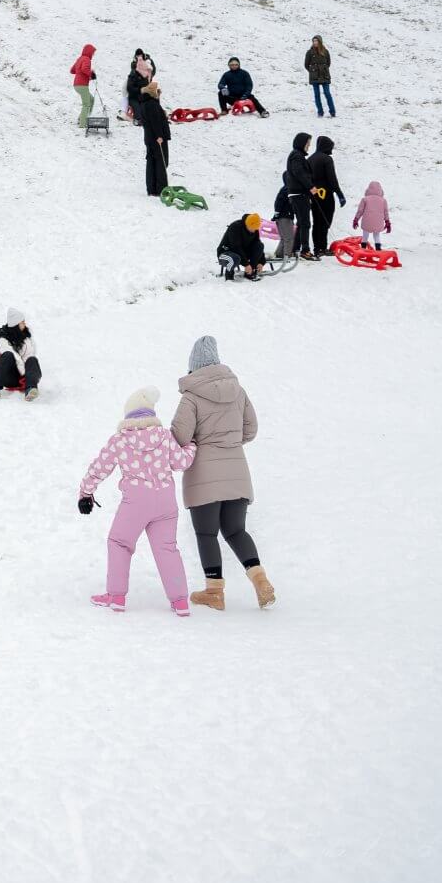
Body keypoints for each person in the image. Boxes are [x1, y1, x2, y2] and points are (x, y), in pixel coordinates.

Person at [172, 336, 273, 611]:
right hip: (237, 472)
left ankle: (214, 592)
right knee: (236, 530)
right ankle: (261, 580)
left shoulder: (192, 396)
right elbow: (250, 429)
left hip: (204, 476)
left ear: (194, 365)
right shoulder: (238, 391)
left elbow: (180, 436)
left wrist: (198, 443)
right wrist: (230, 442)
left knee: (207, 534)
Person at [79, 387, 197, 616]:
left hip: (136, 503)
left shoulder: (120, 440)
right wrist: (191, 445)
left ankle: (116, 596)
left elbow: (99, 468)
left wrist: (86, 492)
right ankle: (180, 601)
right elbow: (181, 462)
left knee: (119, 543)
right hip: (165, 502)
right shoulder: (164, 436)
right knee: (167, 548)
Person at [0, 310, 41, 400]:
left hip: (26, 377)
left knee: (32, 359)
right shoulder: (2, 339)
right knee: (8, 355)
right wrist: (24, 373)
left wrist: (28, 375)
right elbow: (15, 357)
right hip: (10, 377)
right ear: (16, 324)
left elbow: (29, 355)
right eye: (22, 322)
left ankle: (30, 389)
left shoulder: (26, 337)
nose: (24, 324)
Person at [283, 134, 317, 260]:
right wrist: (310, 186)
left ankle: (295, 249)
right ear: (301, 143)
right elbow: (299, 172)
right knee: (305, 223)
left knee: (302, 223)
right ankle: (305, 250)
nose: (309, 146)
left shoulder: (297, 155)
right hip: (299, 194)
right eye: (307, 143)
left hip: (298, 193)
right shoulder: (297, 156)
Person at [310, 136, 346, 252]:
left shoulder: (310, 159)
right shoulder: (327, 159)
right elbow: (332, 179)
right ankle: (322, 247)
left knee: (317, 221)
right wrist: (340, 194)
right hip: (325, 195)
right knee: (326, 220)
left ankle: (317, 248)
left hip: (314, 195)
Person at [138, 80, 171, 196]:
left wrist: (158, 98)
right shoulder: (152, 104)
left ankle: (152, 189)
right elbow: (155, 121)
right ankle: (161, 189)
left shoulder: (145, 102)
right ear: (153, 92)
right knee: (161, 162)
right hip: (157, 139)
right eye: (157, 91)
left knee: (152, 162)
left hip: (149, 138)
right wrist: (159, 136)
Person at [217, 213, 266, 281]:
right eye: (252, 228)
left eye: (255, 229)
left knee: (259, 245)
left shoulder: (254, 229)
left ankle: (249, 272)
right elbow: (236, 247)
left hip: (242, 252)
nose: (254, 231)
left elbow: (258, 245)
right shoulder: (235, 227)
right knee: (234, 258)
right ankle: (229, 276)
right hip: (226, 252)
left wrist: (261, 262)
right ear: (247, 225)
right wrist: (246, 264)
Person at [351, 181, 391, 249]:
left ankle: (363, 248)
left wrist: (356, 219)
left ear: (368, 189)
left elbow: (360, 211)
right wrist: (387, 222)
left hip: (367, 222)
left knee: (365, 235)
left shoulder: (365, 199)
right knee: (377, 236)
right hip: (378, 223)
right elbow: (386, 212)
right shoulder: (383, 201)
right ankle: (378, 249)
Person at [305, 35, 334, 117]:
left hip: (324, 75)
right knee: (317, 95)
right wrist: (312, 71)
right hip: (314, 76)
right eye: (314, 41)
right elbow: (306, 64)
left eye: (316, 41)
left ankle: (332, 111)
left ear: (320, 42)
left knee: (327, 93)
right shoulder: (309, 52)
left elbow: (328, 63)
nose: (315, 42)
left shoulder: (325, 51)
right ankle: (320, 112)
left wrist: (323, 69)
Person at [124, 49, 156, 122]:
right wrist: (140, 90)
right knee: (138, 111)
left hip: (143, 97)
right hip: (134, 97)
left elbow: (153, 71)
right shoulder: (133, 74)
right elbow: (129, 88)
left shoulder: (146, 75)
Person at [70, 44, 97, 129]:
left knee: (91, 99)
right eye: (93, 53)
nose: (93, 54)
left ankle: (82, 118)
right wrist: (91, 74)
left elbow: (72, 70)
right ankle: (83, 123)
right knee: (86, 104)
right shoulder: (87, 59)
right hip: (82, 85)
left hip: (77, 85)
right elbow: (84, 69)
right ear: (89, 52)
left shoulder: (80, 59)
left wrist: (82, 74)